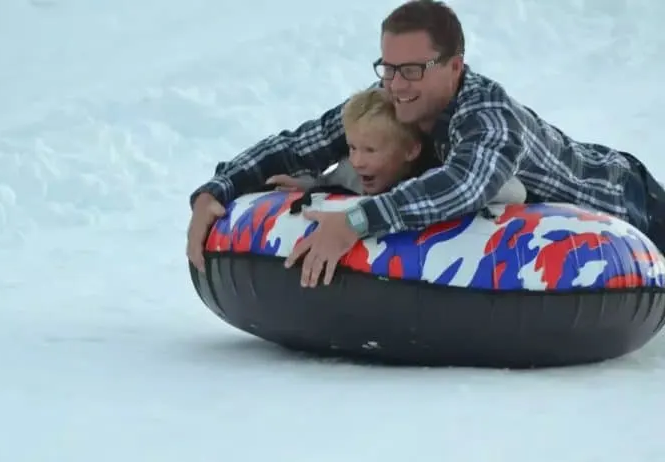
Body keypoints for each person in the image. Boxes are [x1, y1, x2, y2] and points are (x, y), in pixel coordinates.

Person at [187, 0, 663, 289]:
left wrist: (356, 221)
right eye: (388, 68)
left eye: (412, 69)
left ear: (454, 66)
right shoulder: (393, 98)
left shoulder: (489, 115)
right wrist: (218, 189)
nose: (396, 84)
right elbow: (300, 143)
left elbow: (465, 184)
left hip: (627, 196)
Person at [267, 87, 527, 204]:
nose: (357, 160)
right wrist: (308, 186)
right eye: (352, 148)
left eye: (370, 150)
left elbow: (514, 190)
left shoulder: (438, 170)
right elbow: (333, 183)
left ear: (411, 150)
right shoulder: (356, 171)